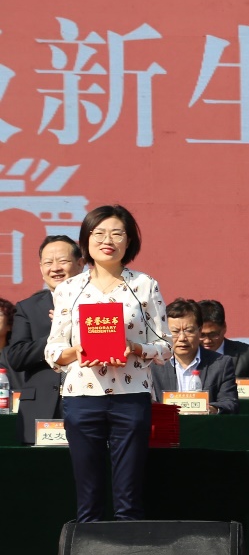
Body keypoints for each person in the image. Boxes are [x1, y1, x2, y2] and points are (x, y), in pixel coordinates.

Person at [44, 204, 172, 521]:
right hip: (81, 397)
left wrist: (134, 347)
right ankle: (88, 553)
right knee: (89, 501)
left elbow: (165, 346)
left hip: (131, 398)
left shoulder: (145, 285)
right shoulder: (69, 289)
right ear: (86, 240)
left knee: (129, 499)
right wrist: (78, 351)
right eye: (99, 233)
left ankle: (129, 552)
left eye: (117, 233)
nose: (108, 240)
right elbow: (53, 350)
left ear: (129, 242)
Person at [6, 236, 85, 444]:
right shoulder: (28, 307)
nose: (55, 268)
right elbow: (16, 357)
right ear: (41, 268)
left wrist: (76, 326)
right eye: (48, 262)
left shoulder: (98, 304)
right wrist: (57, 332)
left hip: (87, 404)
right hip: (40, 409)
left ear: (80, 264)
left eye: (63, 261)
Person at [149, 298, 239, 414]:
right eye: (175, 332)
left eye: (189, 331)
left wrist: (213, 409)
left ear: (199, 331)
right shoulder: (153, 364)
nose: (182, 338)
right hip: (167, 424)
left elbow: (230, 403)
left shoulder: (221, 364)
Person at [197, 298, 249, 401]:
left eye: (213, 334)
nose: (207, 341)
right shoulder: (185, 356)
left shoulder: (247, 354)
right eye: (202, 335)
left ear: (224, 327)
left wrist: (230, 400)